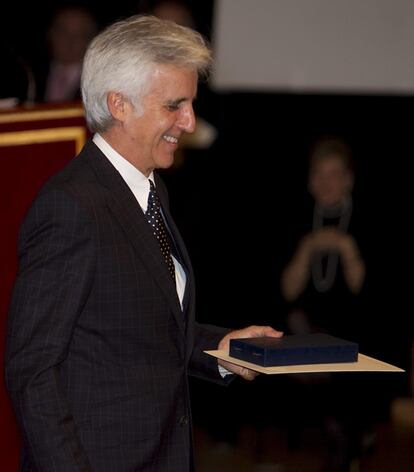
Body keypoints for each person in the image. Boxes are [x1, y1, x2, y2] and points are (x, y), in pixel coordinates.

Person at [4, 15, 282, 472]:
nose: (189, 122)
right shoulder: (72, 207)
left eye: (191, 104)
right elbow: (32, 372)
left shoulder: (150, 191)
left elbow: (141, 333)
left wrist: (223, 351)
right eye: (175, 105)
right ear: (119, 104)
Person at [280, 137, 368, 471]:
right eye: (320, 174)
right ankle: (344, 441)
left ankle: (343, 440)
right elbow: (288, 291)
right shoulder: (299, 217)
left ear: (349, 180)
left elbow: (366, 292)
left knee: (337, 355)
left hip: (354, 328)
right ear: (309, 180)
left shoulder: (362, 218)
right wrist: (306, 249)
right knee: (301, 330)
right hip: (305, 326)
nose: (327, 183)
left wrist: (346, 250)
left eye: (336, 174)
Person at [35, 5, 98, 103]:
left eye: (80, 34)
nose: (70, 41)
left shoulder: (97, 81)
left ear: (92, 40)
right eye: (63, 31)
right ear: (50, 34)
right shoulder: (30, 76)